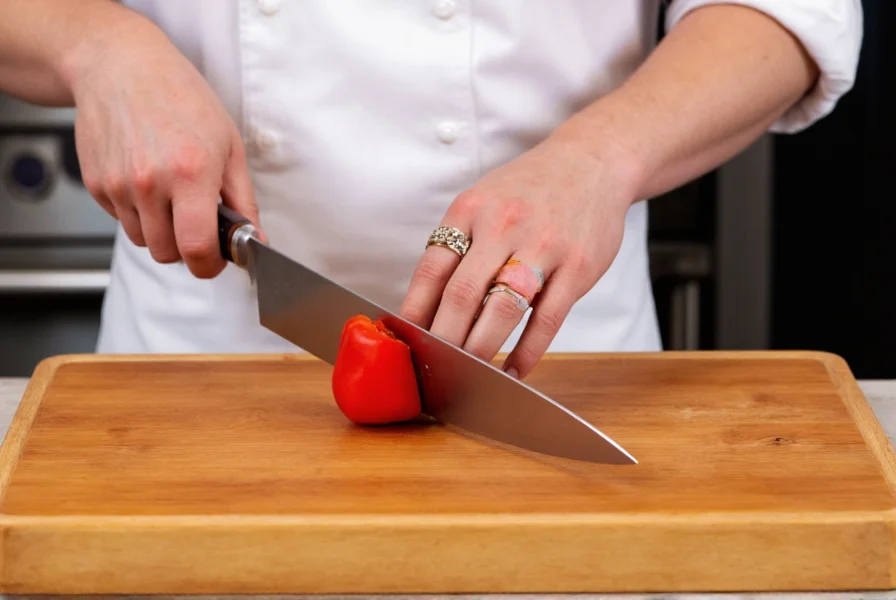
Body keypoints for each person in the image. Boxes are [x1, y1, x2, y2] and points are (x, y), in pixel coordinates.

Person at [0, 1, 862, 379]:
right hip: (194, 363)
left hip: (552, 358)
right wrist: (94, 43)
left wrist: (603, 157)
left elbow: (790, 10)